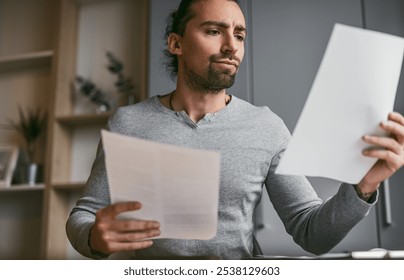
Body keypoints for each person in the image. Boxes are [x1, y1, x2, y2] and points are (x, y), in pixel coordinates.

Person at [66, 0, 404, 260]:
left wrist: (365, 184)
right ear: (176, 43)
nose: (232, 46)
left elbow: (311, 233)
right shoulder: (128, 123)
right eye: (214, 31)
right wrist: (94, 236)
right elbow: (84, 215)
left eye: (239, 35)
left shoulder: (266, 126)